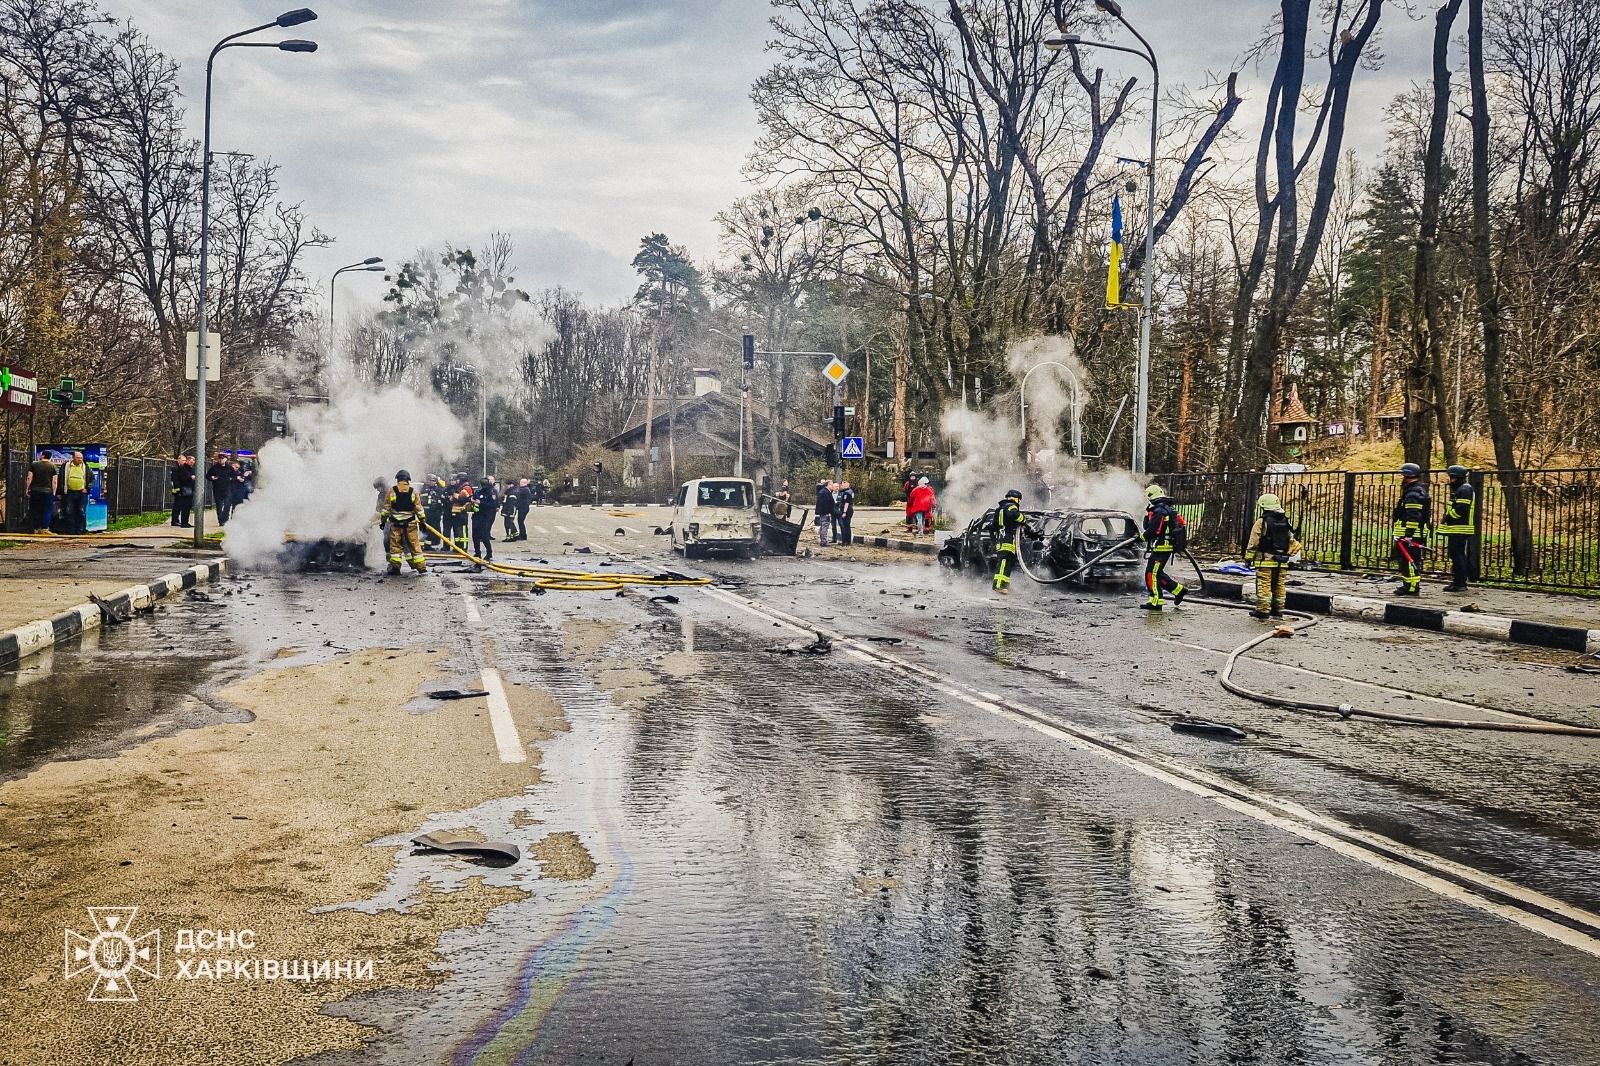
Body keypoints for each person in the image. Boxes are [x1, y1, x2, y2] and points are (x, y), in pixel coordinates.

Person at [1244, 492, 1301, 619]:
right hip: (1282, 561)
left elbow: (1253, 542)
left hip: (1265, 560)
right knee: (1279, 585)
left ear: (1264, 506)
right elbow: (1291, 540)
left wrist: (1248, 558)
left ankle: (1263, 610)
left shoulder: (1261, 522)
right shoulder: (1285, 521)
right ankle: (1278, 609)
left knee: (1264, 585)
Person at [1140, 484, 1189, 610]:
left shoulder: (1159, 511)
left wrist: (1143, 537)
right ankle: (1179, 591)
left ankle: (1156, 601)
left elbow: (1153, 530)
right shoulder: (1168, 509)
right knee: (1157, 574)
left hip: (1162, 548)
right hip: (1165, 547)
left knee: (1151, 573)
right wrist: (1148, 514)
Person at [1392, 462, 1432, 596]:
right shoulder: (1415, 491)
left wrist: (1409, 535)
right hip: (1411, 533)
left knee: (1409, 561)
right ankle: (1408, 586)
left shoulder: (1413, 493)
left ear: (1407, 476)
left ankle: (1411, 587)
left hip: (1410, 534)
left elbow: (1413, 516)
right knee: (1407, 560)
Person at [378, 469, 428, 576]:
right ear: (408, 480)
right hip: (411, 524)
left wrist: (382, 522)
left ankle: (395, 568)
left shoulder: (392, 491)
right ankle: (421, 568)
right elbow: (419, 509)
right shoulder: (413, 491)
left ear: (397, 479)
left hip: (396, 525)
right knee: (415, 546)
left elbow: (386, 509)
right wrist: (423, 522)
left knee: (395, 547)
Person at [1438, 464, 1476, 593]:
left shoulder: (1464, 489)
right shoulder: (1462, 488)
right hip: (1457, 528)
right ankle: (1458, 581)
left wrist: (1448, 517)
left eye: (1451, 477)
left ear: (1455, 477)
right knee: (1456, 555)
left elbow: (1461, 510)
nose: (1449, 480)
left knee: (1458, 555)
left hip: (1460, 528)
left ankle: (1460, 583)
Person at [992, 489, 1024, 594]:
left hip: (1001, 538)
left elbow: (993, 526)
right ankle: (998, 586)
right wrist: (1023, 518)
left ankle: (1005, 585)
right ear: (1016, 498)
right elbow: (1013, 515)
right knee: (1004, 562)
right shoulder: (1011, 506)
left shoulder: (999, 509)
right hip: (1008, 539)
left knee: (1008, 563)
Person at [24, 452, 57, 532]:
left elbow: (29, 477)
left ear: (43, 455)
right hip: (47, 491)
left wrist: (27, 488)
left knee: (35, 509)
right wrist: (54, 492)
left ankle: (36, 528)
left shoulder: (34, 465)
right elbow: (54, 481)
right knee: (47, 510)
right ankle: (45, 528)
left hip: (35, 490)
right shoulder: (53, 466)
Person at [60, 450, 89, 534]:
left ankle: (81, 530)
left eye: (81, 458)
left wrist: (87, 488)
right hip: (69, 492)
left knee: (81, 511)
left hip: (81, 493)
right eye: (78, 458)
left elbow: (91, 479)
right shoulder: (66, 466)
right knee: (69, 511)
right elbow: (61, 478)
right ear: (73, 458)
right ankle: (71, 530)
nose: (80, 459)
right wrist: (60, 492)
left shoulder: (85, 466)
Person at [471, 476, 499, 561]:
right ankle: (477, 552)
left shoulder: (491, 492)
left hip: (486, 516)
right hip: (476, 516)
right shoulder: (478, 492)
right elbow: (474, 498)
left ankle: (489, 553)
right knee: (475, 536)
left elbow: (492, 505)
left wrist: (481, 503)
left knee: (484, 535)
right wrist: (472, 500)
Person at [447, 473, 474, 552]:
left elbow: (465, 498)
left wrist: (456, 496)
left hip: (462, 512)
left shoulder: (467, 488)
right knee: (457, 530)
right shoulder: (460, 487)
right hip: (456, 512)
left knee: (463, 531)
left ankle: (464, 547)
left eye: (458, 479)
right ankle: (457, 547)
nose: (457, 481)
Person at [422, 474, 447, 548]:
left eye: (434, 481)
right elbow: (423, 500)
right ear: (427, 481)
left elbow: (443, 493)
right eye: (432, 481)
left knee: (435, 528)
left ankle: (431, 543)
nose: (433, 482)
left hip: (436, 512)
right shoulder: (424, 488)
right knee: (426, 529)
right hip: (427, 512)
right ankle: (425, 545)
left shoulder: (437, 489)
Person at [170, 454, 196, 528]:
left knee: (184, 506)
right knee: (178, 505)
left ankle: (180, 521)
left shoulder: (190, 469)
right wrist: (190, 478)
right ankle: (176, 521)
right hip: (180, 490)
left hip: (186, 490)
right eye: (183, 460)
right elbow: (177, 480)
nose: (183, 462)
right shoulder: (178, 469)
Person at [205, 452, 230, 524]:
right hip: (217, 489)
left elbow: (234, 476)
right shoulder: (214, 468)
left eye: (222, 458)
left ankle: (226, 519)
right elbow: (208, 476)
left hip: (227, 489)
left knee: (227, 505)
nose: (220, 460)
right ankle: (221, 520)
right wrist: (212, 477)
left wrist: (231, 479)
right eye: (219, 458)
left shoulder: (229, 468)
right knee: (219, 505)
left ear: (226, 459)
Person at [814, 480, 836, 547]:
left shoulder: (823, 491)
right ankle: (824, 541)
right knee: (825, 526)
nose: (833, 486)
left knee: (823, 526)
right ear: (828, 485)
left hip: (822, 512)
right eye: (831, 485)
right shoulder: (825, 492)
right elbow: (826, 504)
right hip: (825, 513)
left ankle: (822, 540)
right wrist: (829, 512)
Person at [835, 480, 856, 545]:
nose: (842, 486)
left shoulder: (847, 492)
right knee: (846, 526)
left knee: (845, 526)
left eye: (843, 485)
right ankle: (846, 541)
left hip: (847, 510)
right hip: (849, 509)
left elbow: (846, 503)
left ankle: (846, 541)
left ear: (847, 484)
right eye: (842, 485)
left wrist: (844, 512)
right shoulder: (850, 491)